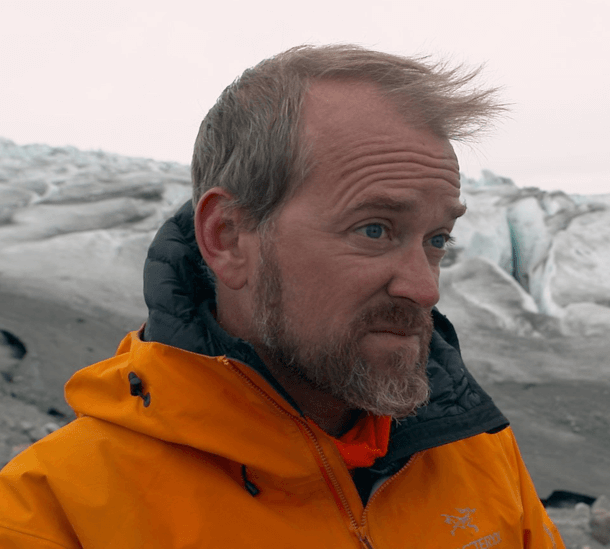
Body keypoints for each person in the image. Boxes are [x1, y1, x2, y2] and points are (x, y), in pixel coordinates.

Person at [0, 44, 564, 548]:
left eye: (437, 239)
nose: (424, 287)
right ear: (228, 237)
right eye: (374, 230)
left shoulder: (478, 450)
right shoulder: (55, 517)